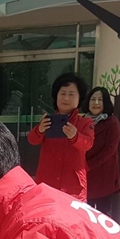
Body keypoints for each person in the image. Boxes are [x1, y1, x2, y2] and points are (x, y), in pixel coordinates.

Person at [28, 73, 93, 202]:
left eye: (71, 94)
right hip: (47, 183)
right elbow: (32, 140)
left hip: (73, 187)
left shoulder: (85, 123)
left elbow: (88, 144)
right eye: (62, 93)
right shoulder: (48, 121)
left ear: (79, 98)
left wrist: (75, 136)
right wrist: (39, 130)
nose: (66, 98)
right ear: (56, 96)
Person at [81, 87, 120, 219]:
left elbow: (110, 149)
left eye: (100, 99)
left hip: (104, 176)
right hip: (85, 175)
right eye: (93, 99)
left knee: (104, 216)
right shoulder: (82, 121)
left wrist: (90, 164)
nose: (96, 103)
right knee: (87, 215)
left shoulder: (112, 122)